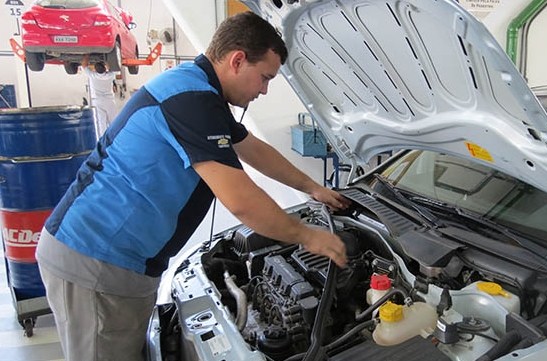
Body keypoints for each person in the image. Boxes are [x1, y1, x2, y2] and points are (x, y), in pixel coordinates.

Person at [36, 12, 350, 361]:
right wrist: (308, 236)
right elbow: (241, 201)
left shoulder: (198, 91)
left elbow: (252, 149)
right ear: (237, 60)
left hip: (120, 260)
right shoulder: (192, 100)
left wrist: (311, 186)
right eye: (264, 78)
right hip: (96, 260)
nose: (264, 90)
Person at [82, 54, 117, 137]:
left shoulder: (92, 76)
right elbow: (111, 67)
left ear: (95, 69)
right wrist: (105, 59)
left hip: (97, 101)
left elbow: (84, 65)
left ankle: (103, 140)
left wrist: (86, 55)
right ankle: (115, 138)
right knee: (113, 121)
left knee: (101, 123)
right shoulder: (110, 75)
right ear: (105, 69)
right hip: (109, 101)